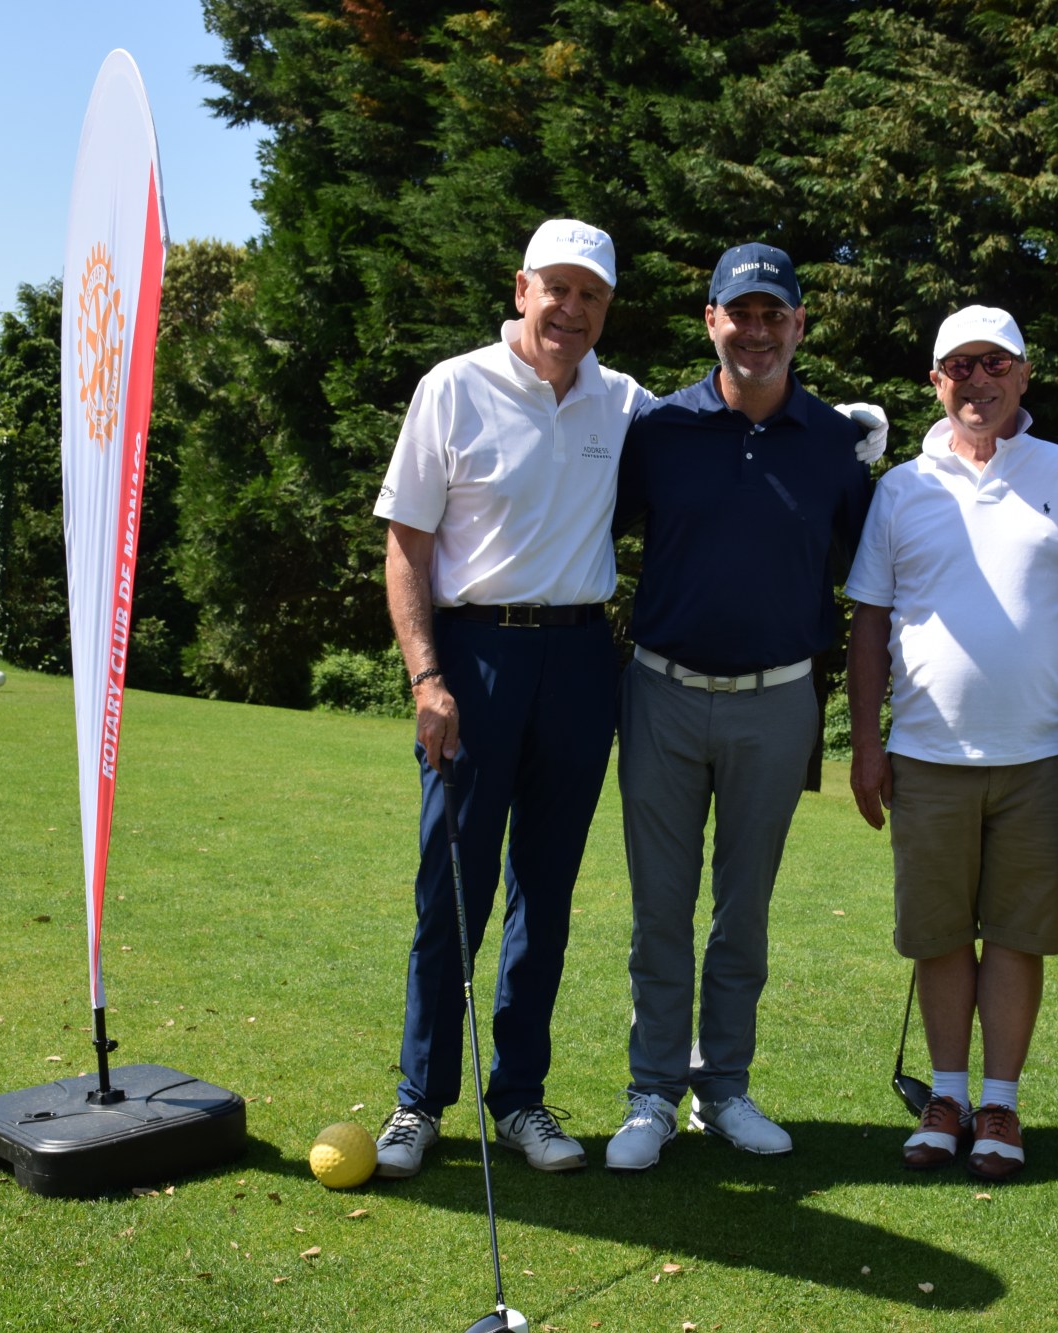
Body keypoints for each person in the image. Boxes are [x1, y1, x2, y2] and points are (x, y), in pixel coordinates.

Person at [370, 219, 649, 1176]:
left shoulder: (624, 402)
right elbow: (406, 543)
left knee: (547, 890)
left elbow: (719, 433)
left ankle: (521, 1096)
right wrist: (427, 676)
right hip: (475, 657)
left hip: (579, 661)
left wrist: (830, 430)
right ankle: (419, 1100)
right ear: (522, 288)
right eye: (557, 288)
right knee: (452, 885)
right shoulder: (454, 386)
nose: (572, 308)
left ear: (606, 308)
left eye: (592, 294)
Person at [602, 243, 875, 1172]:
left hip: (778, 700)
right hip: (661, 693)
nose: (756, 331)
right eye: (740, 313)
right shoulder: (660, 430)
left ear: (798, 325)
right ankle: (651, 1092)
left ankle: (722, 1087)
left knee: (742, 911)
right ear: (711, 320)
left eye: (774, 315)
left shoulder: (835, 443)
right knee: (660, 910)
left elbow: (876, 575)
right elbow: (583, 529)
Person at [845, 305, 1058, 1182]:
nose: (978, 380)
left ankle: (999, 1102)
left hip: (1040, 754)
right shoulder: (901, 486)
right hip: (927, 754)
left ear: (1024, 375)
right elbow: (870, 621)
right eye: (959, 365)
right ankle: (948, 1096)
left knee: (1016, 933)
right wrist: (866, 743)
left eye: (995, 363)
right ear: (936, 381)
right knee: (936, 934)